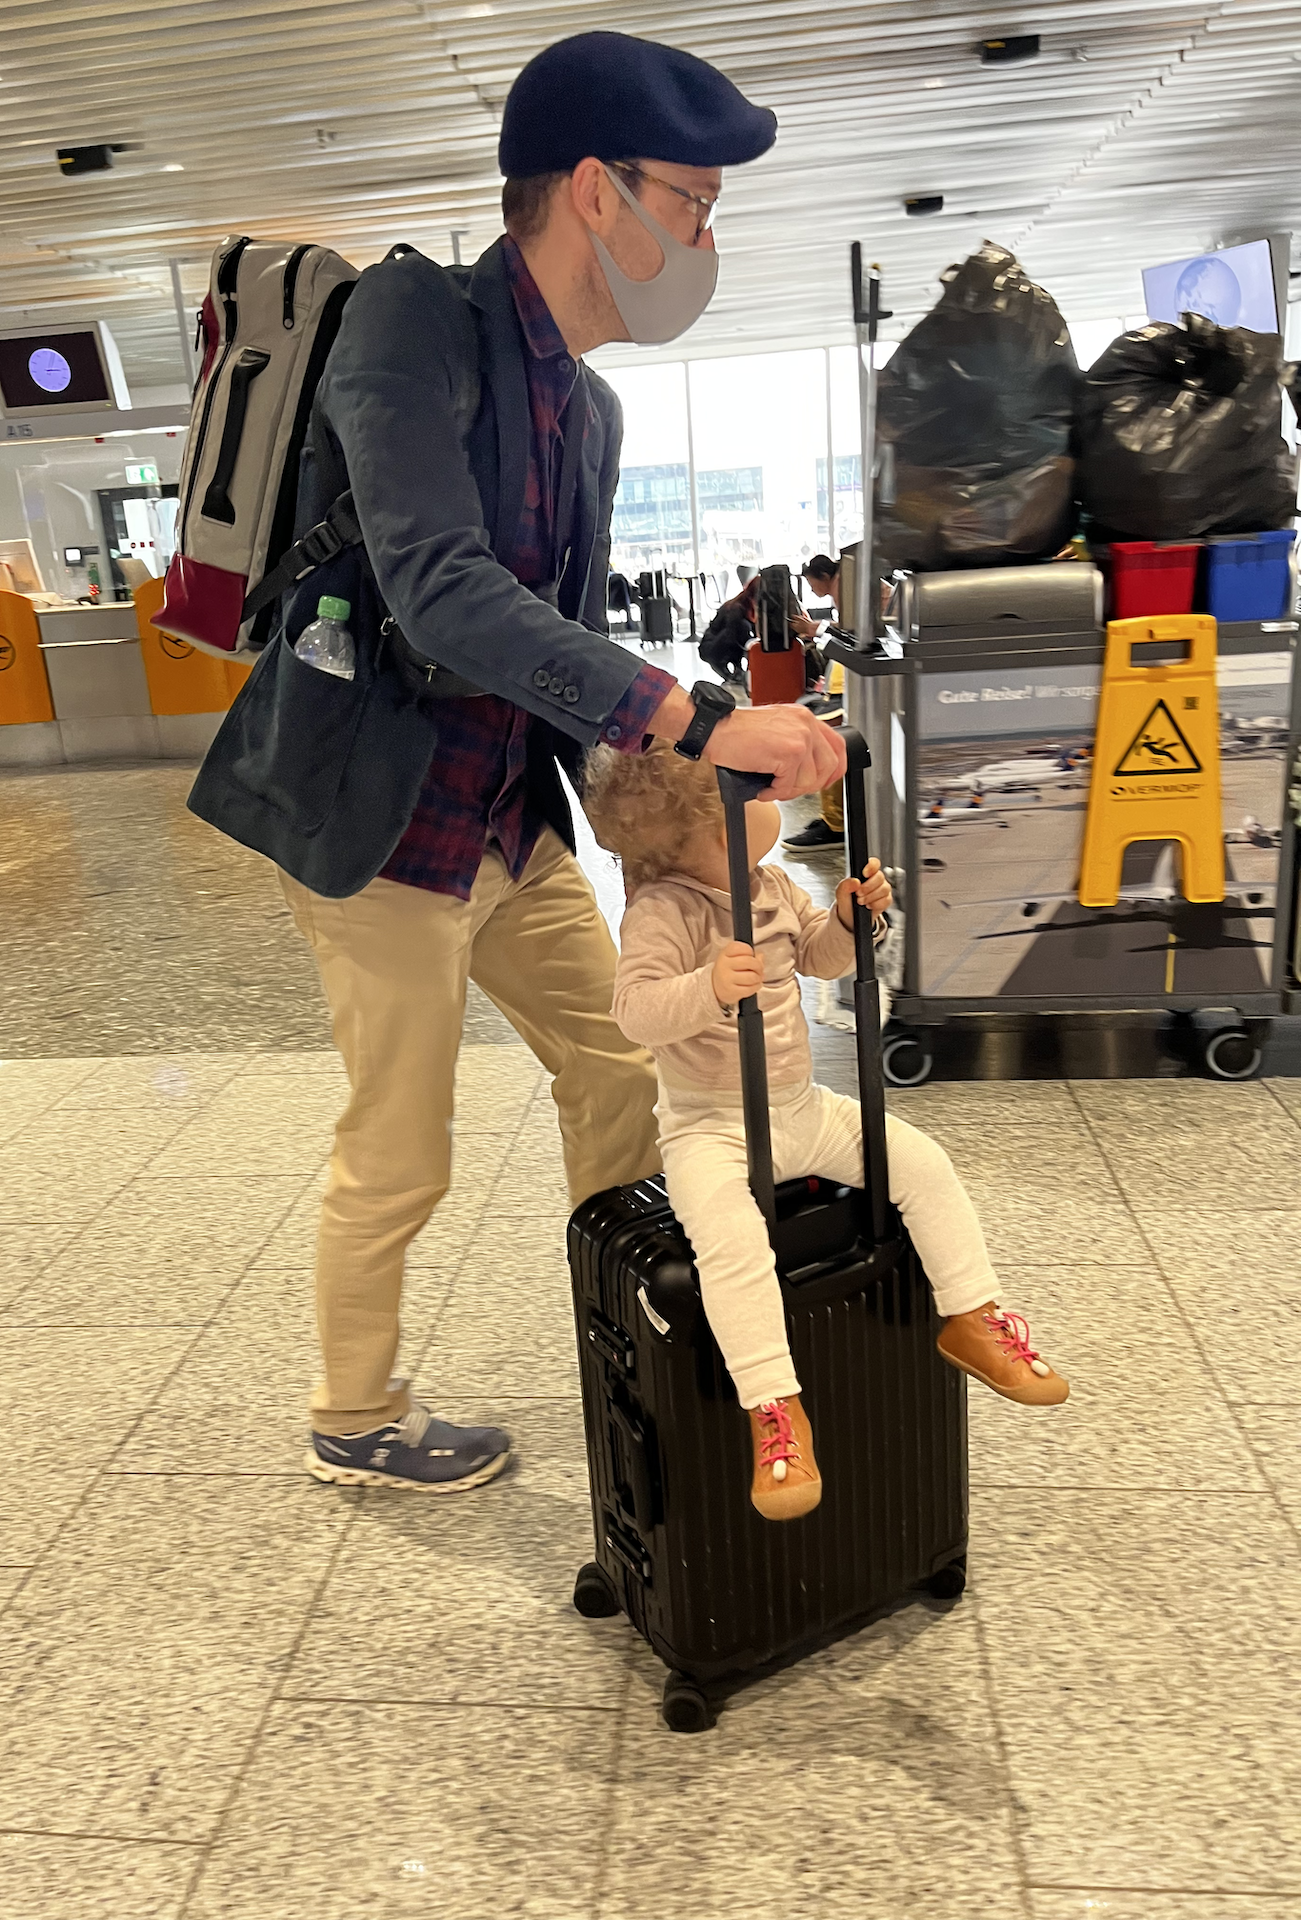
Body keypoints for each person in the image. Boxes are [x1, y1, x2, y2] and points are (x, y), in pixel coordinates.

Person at [187, 31, 848, 1493]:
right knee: (403, 1142)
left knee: (618, 1064)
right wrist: (697, 720)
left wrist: (684, 787)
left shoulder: (593, 411)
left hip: (506, 820)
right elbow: (437, 587)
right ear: (597, 192)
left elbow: (565, 635)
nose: (705, 241)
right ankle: (354, 1415)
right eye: (693, 203)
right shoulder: (412, 322)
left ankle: (637, 1330)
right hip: (380, 825)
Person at [584, 742, 1070, 1522]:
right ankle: (773, 1407)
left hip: (802, 1108)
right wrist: (707, 987)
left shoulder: (772, 885)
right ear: (702, 832)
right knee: (732, 1244)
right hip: (709, 1128)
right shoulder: (663, 912)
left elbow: (820, 958)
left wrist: (849, 919)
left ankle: (972, 1315)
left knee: (922, 1164)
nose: (774, 804)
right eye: (754, 799)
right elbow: (634, 1013)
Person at [783, 554, 847, 851]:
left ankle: (836, 824)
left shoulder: (846, 588)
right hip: (843, 682)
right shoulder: (845, 586)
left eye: (811, 584)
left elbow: (852, 633)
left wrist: (815, 629)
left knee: (828, 744)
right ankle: (834, 818)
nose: (811, 590)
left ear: (823, 576)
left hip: (847, 685)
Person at [697, 575, 758, 685]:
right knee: (743, 627)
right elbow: (732, 636)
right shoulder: (737, 608)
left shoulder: (745, 604)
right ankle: (734, 672)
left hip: (717, 644)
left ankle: (734, 673)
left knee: (743, 629)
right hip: (712, 648)